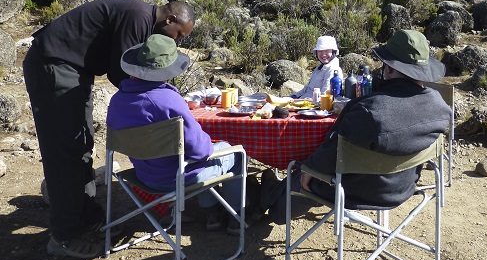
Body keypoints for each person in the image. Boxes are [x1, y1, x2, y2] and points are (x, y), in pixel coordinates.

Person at [23, 0, 195, 259]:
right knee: (65, 151)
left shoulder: (144, 20)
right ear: (169, 19)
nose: (177, 41)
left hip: (75, 70)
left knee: (82, 145)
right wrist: (159, 103)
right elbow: (123, 73)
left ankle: (87, 217)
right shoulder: (138, 18)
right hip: (53, 63)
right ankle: (64, 237)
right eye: (179, 34)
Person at [254, 29, 452, 224]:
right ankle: (267, 193)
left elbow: (330, 151)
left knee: (302, 177)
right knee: (306, 173)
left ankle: (263, 200)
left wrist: (310, 168)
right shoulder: (440, 107)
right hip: (404, 186)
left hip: (354, 190)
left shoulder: (369, 110)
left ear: (389, 68)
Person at [107, 34, 245, 234]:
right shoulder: (167, 99)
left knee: (195, 155)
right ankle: (237, 218)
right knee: (233, 153)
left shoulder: (117, 101)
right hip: (175, 178)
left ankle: (213, 214)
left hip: (144, 176)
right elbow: (201, 151)